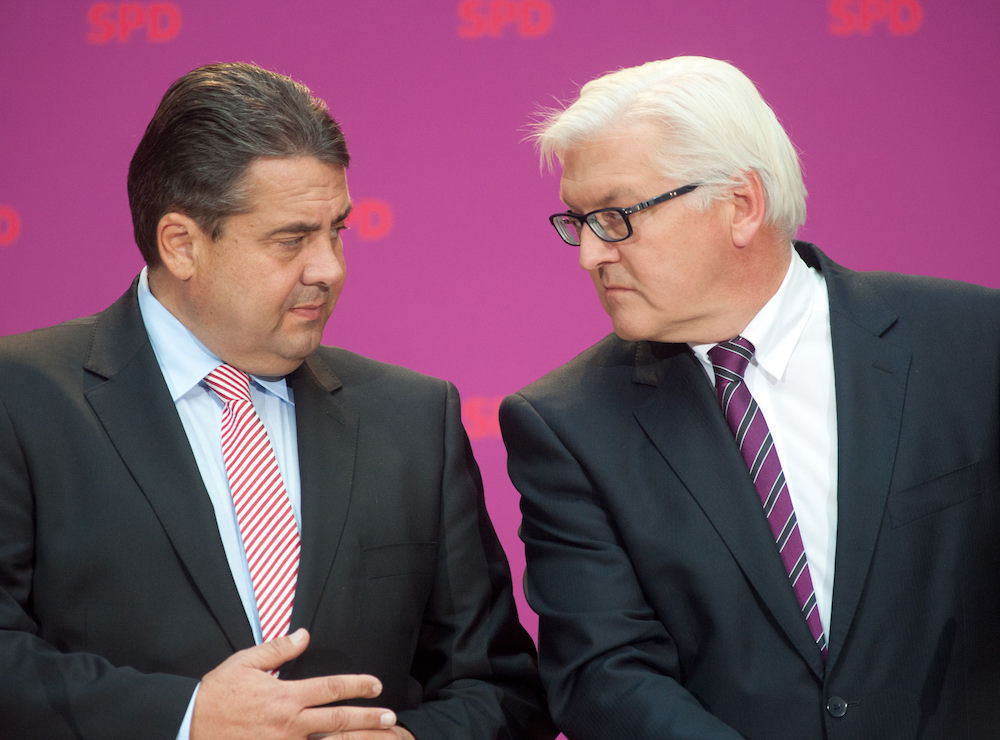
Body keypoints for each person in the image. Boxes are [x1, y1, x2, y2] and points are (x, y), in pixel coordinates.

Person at [0, 62, 555, 740]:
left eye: (337, 231)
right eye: (291, 239)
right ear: (182, 244)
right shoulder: (20, 398)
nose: (329, 268)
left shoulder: (414, 419)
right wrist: (186, 719)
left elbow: (499, 689)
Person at [499, 55, 1000, 738]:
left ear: (740, 205)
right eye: (578, 220)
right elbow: (602, 675)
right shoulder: (566, 424)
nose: (590, 254)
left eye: (615, 217)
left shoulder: (972, 342)